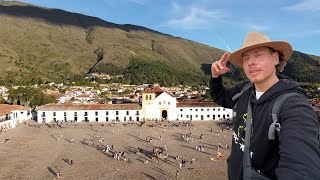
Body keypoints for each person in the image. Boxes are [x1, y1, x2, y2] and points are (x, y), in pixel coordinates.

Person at [210, 32, 320, 179]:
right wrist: (215, 77)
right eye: (246, 58)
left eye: (258, 55)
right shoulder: (245, 89)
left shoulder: (294, 106)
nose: (251, 62)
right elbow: (221, 97)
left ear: (275, 58)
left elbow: (301, 167)